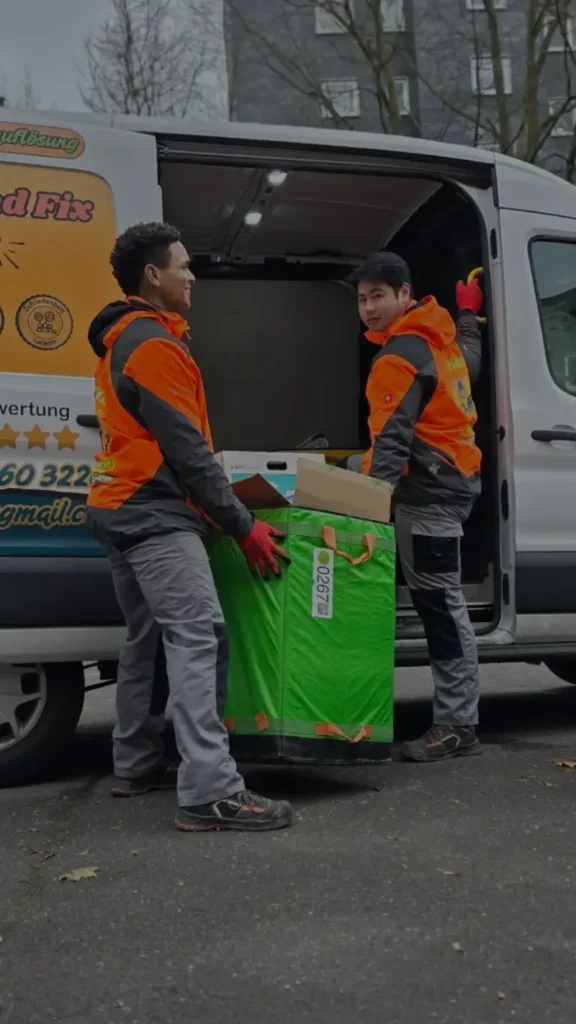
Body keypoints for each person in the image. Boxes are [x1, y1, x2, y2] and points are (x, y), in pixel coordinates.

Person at [86, 221, 294, 832]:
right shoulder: (151, 344)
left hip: (117, 504)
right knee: (199, 635)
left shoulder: (123, 338)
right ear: (153, 275)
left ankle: (136, 762)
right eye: (183, 265)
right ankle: (210, 791)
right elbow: (188, 452)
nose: (192, 275)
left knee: (145, 639)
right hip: (152, 513)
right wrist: (243, 526)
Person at [350, 252, 484, 762]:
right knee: (441, 600)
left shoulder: (398, 356)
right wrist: (469, 312)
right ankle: (459, 718)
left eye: (378, 297)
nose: (368, 309)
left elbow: (392, 441)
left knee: (440, 607)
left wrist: (367, 511)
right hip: (455, 477)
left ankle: (457, 725)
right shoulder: (439, 338)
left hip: (428, 492)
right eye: (362, 300)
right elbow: (472, 357)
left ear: (404, 294)